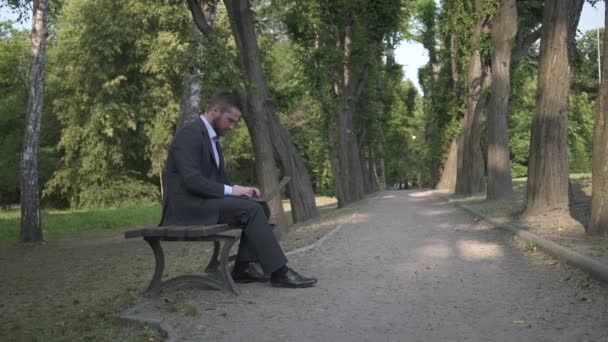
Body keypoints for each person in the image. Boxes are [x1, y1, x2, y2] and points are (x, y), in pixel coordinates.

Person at [160, 92, 317, 288]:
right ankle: (280, 272)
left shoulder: (212, 139)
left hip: (204, 202)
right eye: (230, 120)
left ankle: (243, 268)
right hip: (185, 208)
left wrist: (239, 189)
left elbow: (218, 181)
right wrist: (231, 190)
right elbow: (192, 181)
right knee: (251, 210)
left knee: (259, 205)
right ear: (215, 110)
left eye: (235, 122)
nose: (232, 126)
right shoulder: (189, 135)